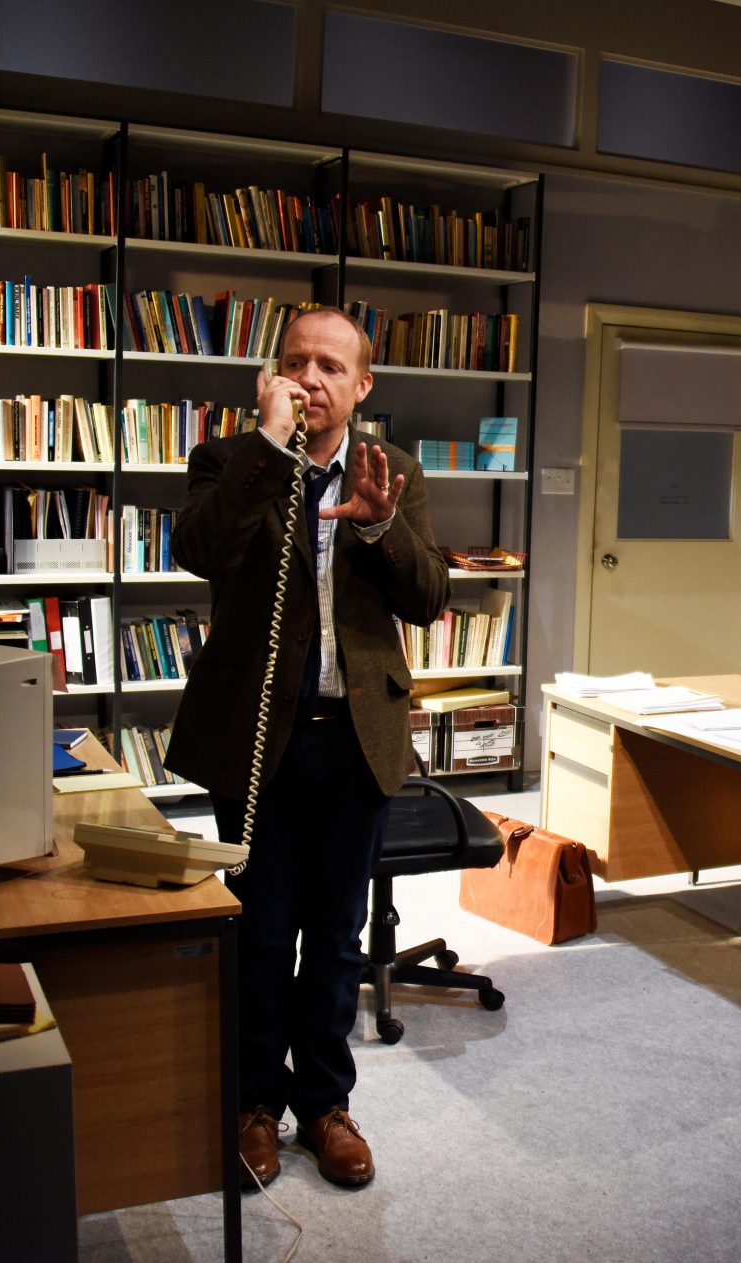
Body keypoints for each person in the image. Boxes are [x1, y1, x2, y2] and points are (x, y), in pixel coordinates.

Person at [165, 307, 449, 1190]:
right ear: (273, 376)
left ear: (363, 385)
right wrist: (268, 445)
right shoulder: (230, 460)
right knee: (258, 929)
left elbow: (429, 595)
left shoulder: (390, 472)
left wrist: (374, 527)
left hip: (356, 737)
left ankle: (326, 1105)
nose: (311, 378)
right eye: (296, 362)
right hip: (259, 739)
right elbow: (199, 549)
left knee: (334, 936)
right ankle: (255, 1102)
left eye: (331, 365)